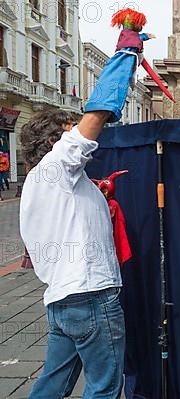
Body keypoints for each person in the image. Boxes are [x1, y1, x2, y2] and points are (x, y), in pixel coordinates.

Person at [20, 108, 126, 397]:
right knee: (104, 387)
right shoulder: (57, 165)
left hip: (63, 300)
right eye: (71, 128)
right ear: (58, 139)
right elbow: (94, 120)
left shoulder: (40, 179)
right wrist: (125, 64)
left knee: (53, 383)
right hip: (90, 294)